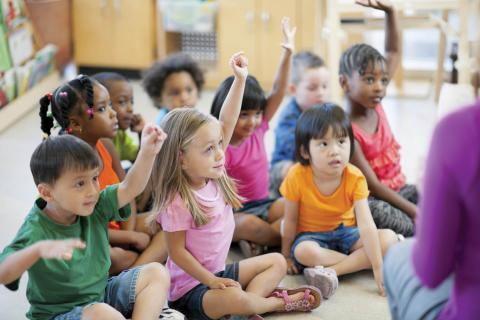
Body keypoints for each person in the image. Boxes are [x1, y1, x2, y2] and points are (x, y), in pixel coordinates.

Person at [149, 52, 321, 319]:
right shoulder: (177, 200)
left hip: (219, 274)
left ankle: (250, 304)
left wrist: (239, 80)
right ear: (181, 159)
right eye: (209, 149)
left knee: (276, 261)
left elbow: (227, 121)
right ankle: (272, 304)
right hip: (189, 291)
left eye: (219, 144)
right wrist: (211, 281)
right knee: (238, 298)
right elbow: (177, 253)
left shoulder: (212, 175)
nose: (220, 154)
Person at [0, 127, 176, 320]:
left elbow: (130, 187)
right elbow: (4, 273)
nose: (92, 190)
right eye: (80, 184)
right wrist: (38, 250)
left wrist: (147, 153)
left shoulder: (95, 205)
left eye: (94, 178)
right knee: (101, 313)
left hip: (100, 297)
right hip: (59, 315)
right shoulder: (35, 229)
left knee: (156, 273)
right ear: (47, 193)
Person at [37, 75, 167, 274]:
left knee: (170, 225)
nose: (113, 114)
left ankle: (132, 272)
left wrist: (129, 231)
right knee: (110, 256)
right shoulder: (66, 162)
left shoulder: (105, 144)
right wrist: (130, 239)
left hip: (119, 228)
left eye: (110, 106)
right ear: (76, 123)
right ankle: (135, 272)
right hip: (88, 236)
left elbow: (128, 191)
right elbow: (81, 227)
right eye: (102, 109)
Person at [281, 103, 398, 299]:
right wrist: (286, 255)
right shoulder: (296, 175)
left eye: (341, 141)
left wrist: (378, 268)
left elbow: (366, 225)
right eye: (323, 144)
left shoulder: (355, 176)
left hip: (347, 234)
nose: (335, 151)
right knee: (303, 252)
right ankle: (357, 263)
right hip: (312, 237)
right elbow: (290, 220)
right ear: (304, 152)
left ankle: (332, 271)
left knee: (389, 238)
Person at [384, 102, 480, 320]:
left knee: (396, 253)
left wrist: (428, 194)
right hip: (386, 197)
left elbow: (430, 272)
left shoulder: (460, 129)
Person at [210, 17, 295, 257]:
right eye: (244, 115)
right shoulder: (219, 142)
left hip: (264, 202)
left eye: (257, 113)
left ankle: (259, 241)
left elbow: (278, 90)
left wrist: (288, 54)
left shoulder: (259, 129)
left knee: (292, 206)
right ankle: (264, 238)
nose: (253, 121)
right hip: (234, 212)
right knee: (247, 225)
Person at [339, 0, 416, 236]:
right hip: (373, 199)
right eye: (369, 80)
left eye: (383, 80)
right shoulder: (347, 129)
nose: (379, 87)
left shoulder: (373, 102)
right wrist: (414, 211)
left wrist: (390, 12)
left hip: (397, 190)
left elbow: (393, 52)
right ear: (344, 83)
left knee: (431, 193)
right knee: (388, 216)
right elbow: (372, 186)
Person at [270, 51, 329, 197]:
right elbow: (294, 148)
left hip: (315, 163)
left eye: (324, 86)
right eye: (312, 88)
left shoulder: (326, 110)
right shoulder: (288, 116)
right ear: (293, 90)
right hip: (288, 164)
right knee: (290, 170)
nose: (321, 93)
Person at [93, 72, 145, 163]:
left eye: (131, 102)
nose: (130, 109)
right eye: (122, 102)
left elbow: (139, 162)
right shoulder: (94, 140)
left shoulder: (120, 135)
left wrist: (142, 133)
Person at [142, 53, 205, 125]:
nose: (184, 98)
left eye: (189, 90)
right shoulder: (163, 126)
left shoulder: (196, 117)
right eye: (175, 93)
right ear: (159, 97)